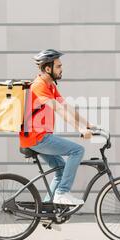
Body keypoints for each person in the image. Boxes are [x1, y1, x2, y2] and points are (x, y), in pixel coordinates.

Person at [19, 49, 95, 206]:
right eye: (59, 66)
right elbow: (58, 110)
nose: (62, 69)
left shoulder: (50, 86)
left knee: (61, 169)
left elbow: (66, 106)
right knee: (77, 150)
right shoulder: (39, 85)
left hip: (40, 137)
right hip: (37, 138)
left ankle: (48, 210)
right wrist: (79, 129)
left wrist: (87, 124)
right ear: (48, 68)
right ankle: (61, 193)